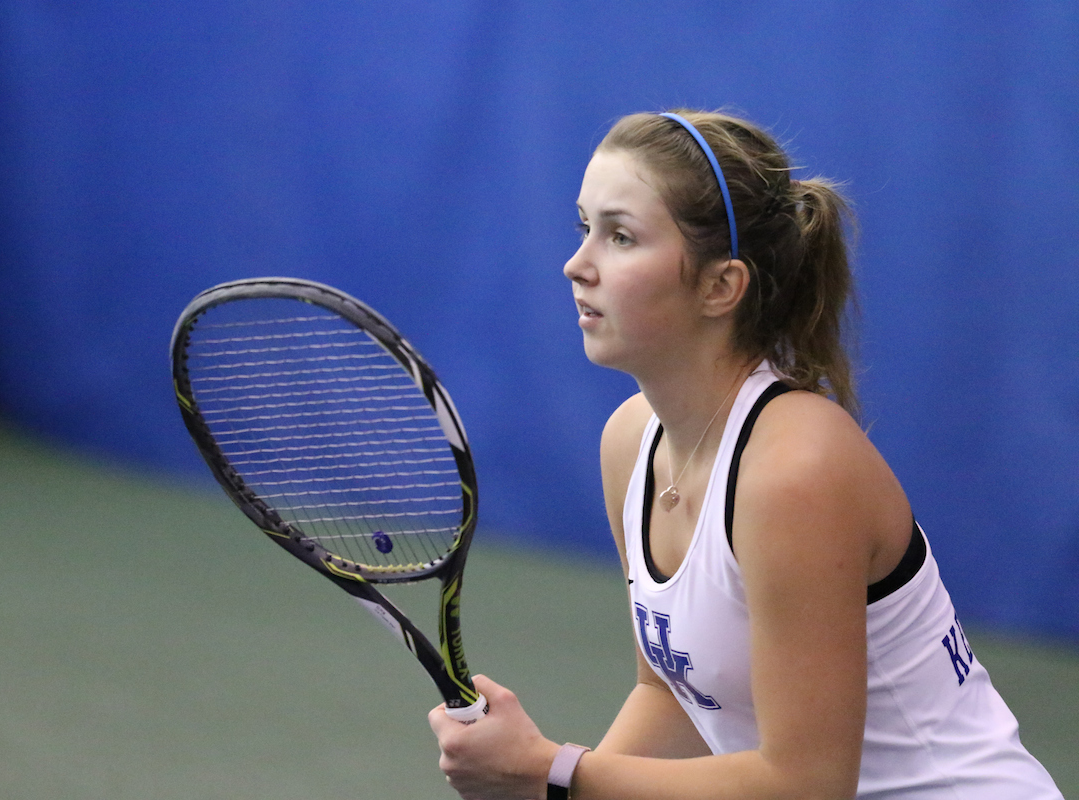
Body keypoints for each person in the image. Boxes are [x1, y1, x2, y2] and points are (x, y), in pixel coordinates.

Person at [428, 109, 1063, 799]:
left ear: (720, 286)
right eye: (585, 228)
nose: (577, 266)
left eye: (620, 236)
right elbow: (673, 696)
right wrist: (553, 788)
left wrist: (551, 771)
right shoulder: (629, 441)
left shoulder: (796, 471)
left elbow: (806, 784)